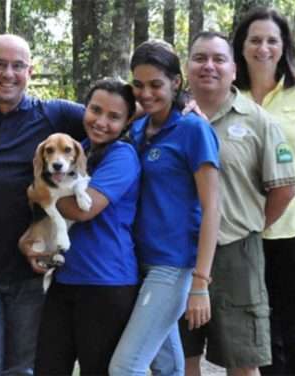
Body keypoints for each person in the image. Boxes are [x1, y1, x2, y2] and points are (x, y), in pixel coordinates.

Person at [0, 34, 85, 375]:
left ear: (30, 71)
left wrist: (182, 105)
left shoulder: (53, 115)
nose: (8, 73)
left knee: (22, 369)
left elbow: (113, 116)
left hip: (31, 272)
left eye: (18, 66)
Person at [180, 31, 295, 376]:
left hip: (236, 251)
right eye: (200, 58)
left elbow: (284, 188)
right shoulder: (173, 118)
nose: (209, 66)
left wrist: (250, 225)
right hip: (178, 251)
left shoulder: (257, 120)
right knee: (179, 358)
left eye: (219, 59)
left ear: (233, 68)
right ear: (187, 67)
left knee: (242, 362)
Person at [108, 40, 221, 376]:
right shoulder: (139, 127)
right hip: (138, 261)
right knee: (168, 365)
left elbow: (213, 206)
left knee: (126, 367)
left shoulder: (194, 128)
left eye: (156, 85)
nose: (146, 94)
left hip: (173, 265)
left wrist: (200, 283)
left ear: (176, 82)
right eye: (138, 85)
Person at [24, 78, 140, 374]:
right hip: (65, 280)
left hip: (106, 282)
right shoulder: (76, 149)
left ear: (127, 121)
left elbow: (83, 210)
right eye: (95, 110)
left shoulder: (123, 156)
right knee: (47, 367)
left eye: (114, 117)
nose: (101, 122)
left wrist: (39, 193)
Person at [232, 8, 295, 375]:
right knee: (265, 340)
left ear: (284, 46)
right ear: (241, 46)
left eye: (272, 40)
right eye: (255, 39)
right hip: (248, 233)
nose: (263, 48)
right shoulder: (228, 98)